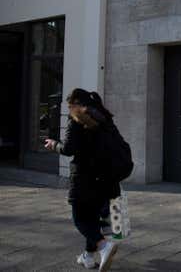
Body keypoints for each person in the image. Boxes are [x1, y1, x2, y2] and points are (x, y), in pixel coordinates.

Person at [45, 88, 120, 271]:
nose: (70, 108)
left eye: (70, 105)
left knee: (79, 218)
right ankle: (87, 257)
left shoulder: (77, 119)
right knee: (92, 217)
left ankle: (103, 246)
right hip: (104, 176)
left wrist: (53, 144)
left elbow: (69, 149)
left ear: (77, 104)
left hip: (84, 177)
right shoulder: (105, 118)